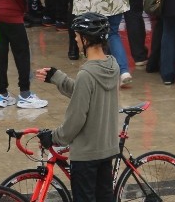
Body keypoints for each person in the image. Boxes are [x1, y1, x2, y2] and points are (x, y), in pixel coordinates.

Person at [35, 13, 120, 202]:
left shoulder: (86, 74)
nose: (75, 39)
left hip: (86, 155)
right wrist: (57, 77)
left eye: (76, 35)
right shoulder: (113, 66)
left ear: (86, 38)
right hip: (106, 150)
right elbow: (89, 95)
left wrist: (55, 137)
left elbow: (76, 118)